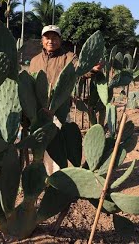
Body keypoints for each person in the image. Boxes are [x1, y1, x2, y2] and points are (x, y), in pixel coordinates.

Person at [28, 25, 103, 174]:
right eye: (47, 37)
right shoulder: (35, 60)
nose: (51, 41)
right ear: (42, 40)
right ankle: (42, 175)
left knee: (56, 144)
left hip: (59, 108)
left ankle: (55, 177)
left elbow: (80, 70)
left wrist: (92, 69)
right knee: (39, 144)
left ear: (60, 40)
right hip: (38, 110)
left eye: (55, 37)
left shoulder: (69, 57)